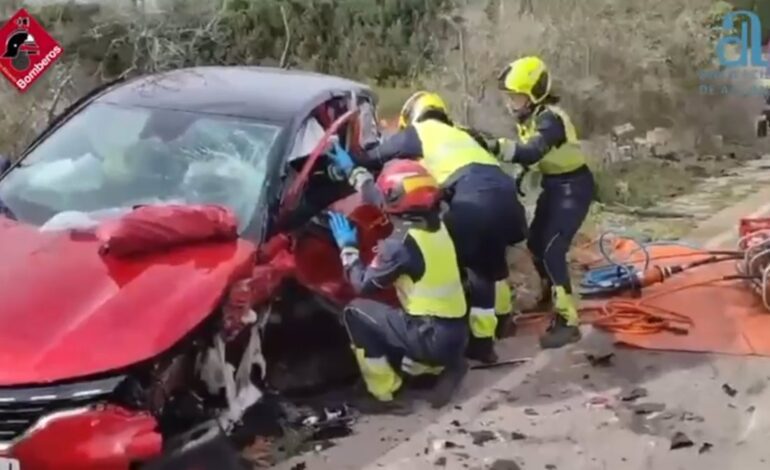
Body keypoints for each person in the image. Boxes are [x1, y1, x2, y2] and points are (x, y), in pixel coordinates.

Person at [356, 91, 528, 364]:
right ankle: (486, 341)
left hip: (474, 201)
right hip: (508, 201)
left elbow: (373, 157)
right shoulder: (461, 134)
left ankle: (441, 343)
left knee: (449, 261)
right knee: (485, 268)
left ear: (412, 115)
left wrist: (355, 170)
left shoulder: (420, 132)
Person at [325, 147, 470, 412]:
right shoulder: (437, 225)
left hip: (430, 337)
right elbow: (383, 199)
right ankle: (445, 366)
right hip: (458, 332)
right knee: (404, 312)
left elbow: (361, 283)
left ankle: (385, 393)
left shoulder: (400, 246)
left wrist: (348, 248)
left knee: (355, 312)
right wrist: (352, 171)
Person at [492, 56, 595, 349]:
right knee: (536, 242)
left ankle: (568, 321)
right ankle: (551, 294)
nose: (511, 103)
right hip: (555, 185)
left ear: (534, 93)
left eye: (517, 96)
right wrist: (518, 177)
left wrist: (493, 145)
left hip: (574, 187)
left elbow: (532, 151)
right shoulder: (532, 118)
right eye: (510, 97)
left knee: (552, 249)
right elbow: (531, 157)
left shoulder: (550, 119)